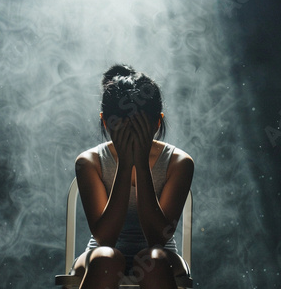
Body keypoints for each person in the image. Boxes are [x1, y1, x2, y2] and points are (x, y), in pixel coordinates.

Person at [71, 64, 194, 289]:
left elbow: (158, 238)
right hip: (101, 255)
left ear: (157, 123)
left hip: (161, 256)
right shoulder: (89, 162)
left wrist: (141, 162)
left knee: (154, 259)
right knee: (106, 259)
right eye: (124, 130)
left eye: (139, 128)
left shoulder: (179, 163)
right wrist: (126, 165)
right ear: (106, 123)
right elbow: (105, 238)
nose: (132, 137)